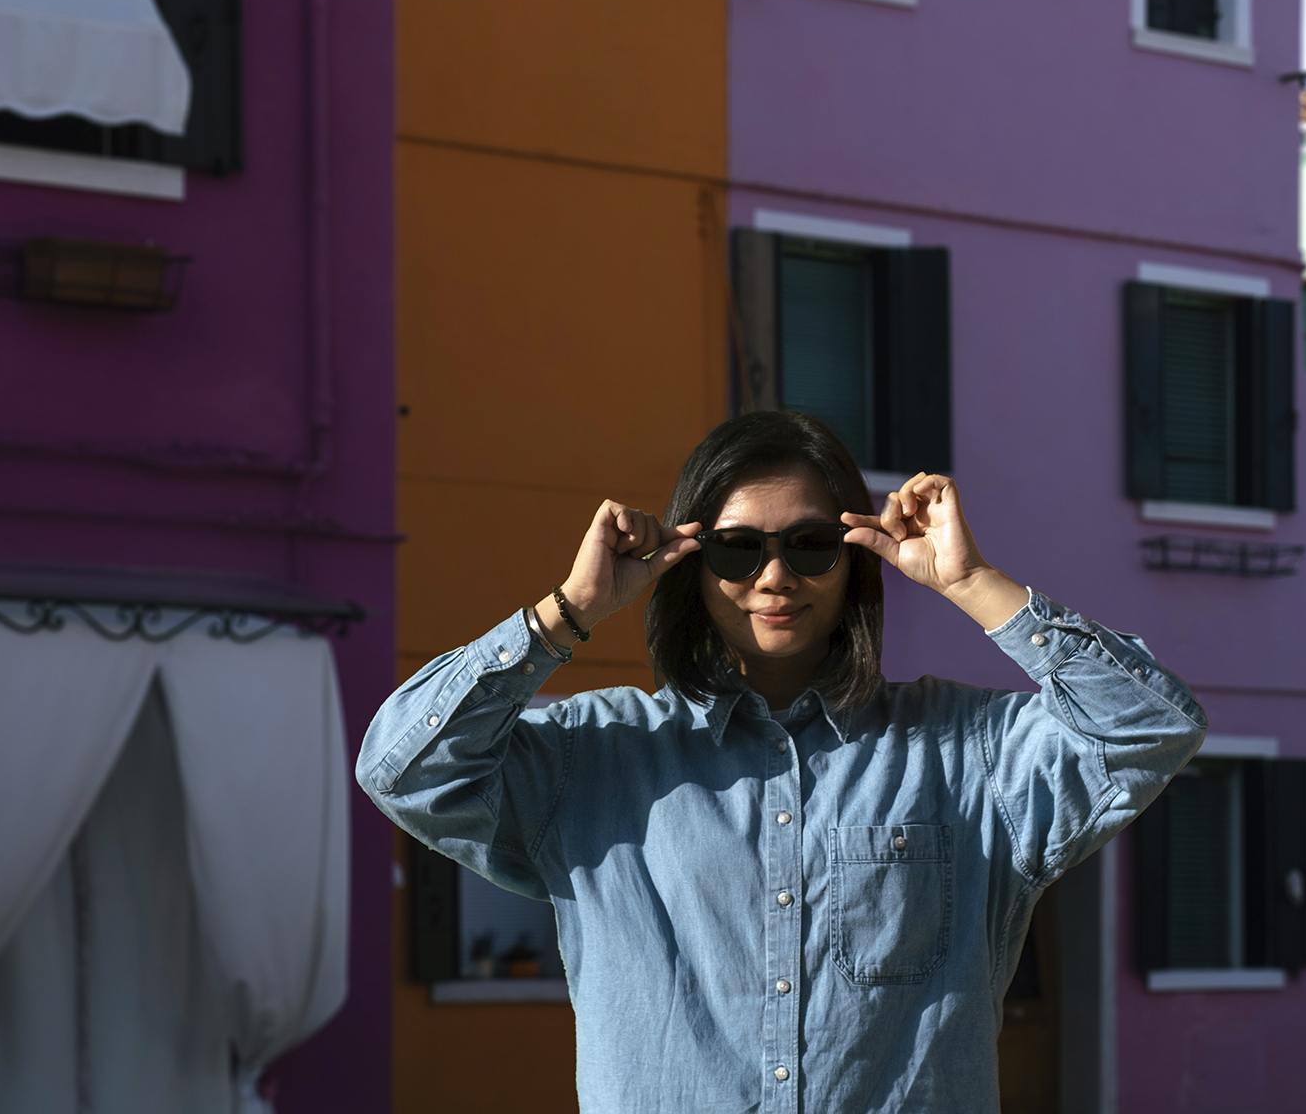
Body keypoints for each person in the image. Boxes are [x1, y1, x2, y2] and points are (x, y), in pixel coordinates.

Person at [358, 406, 1203, 1110]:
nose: (773, 575)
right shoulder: (597, 757)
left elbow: (1151, 725)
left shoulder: (964, 752)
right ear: (691, 564)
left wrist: (969, 580)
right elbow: (403, 768)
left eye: (807, 544)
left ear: (852, 559)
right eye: (736, 548)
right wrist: (570, 609)